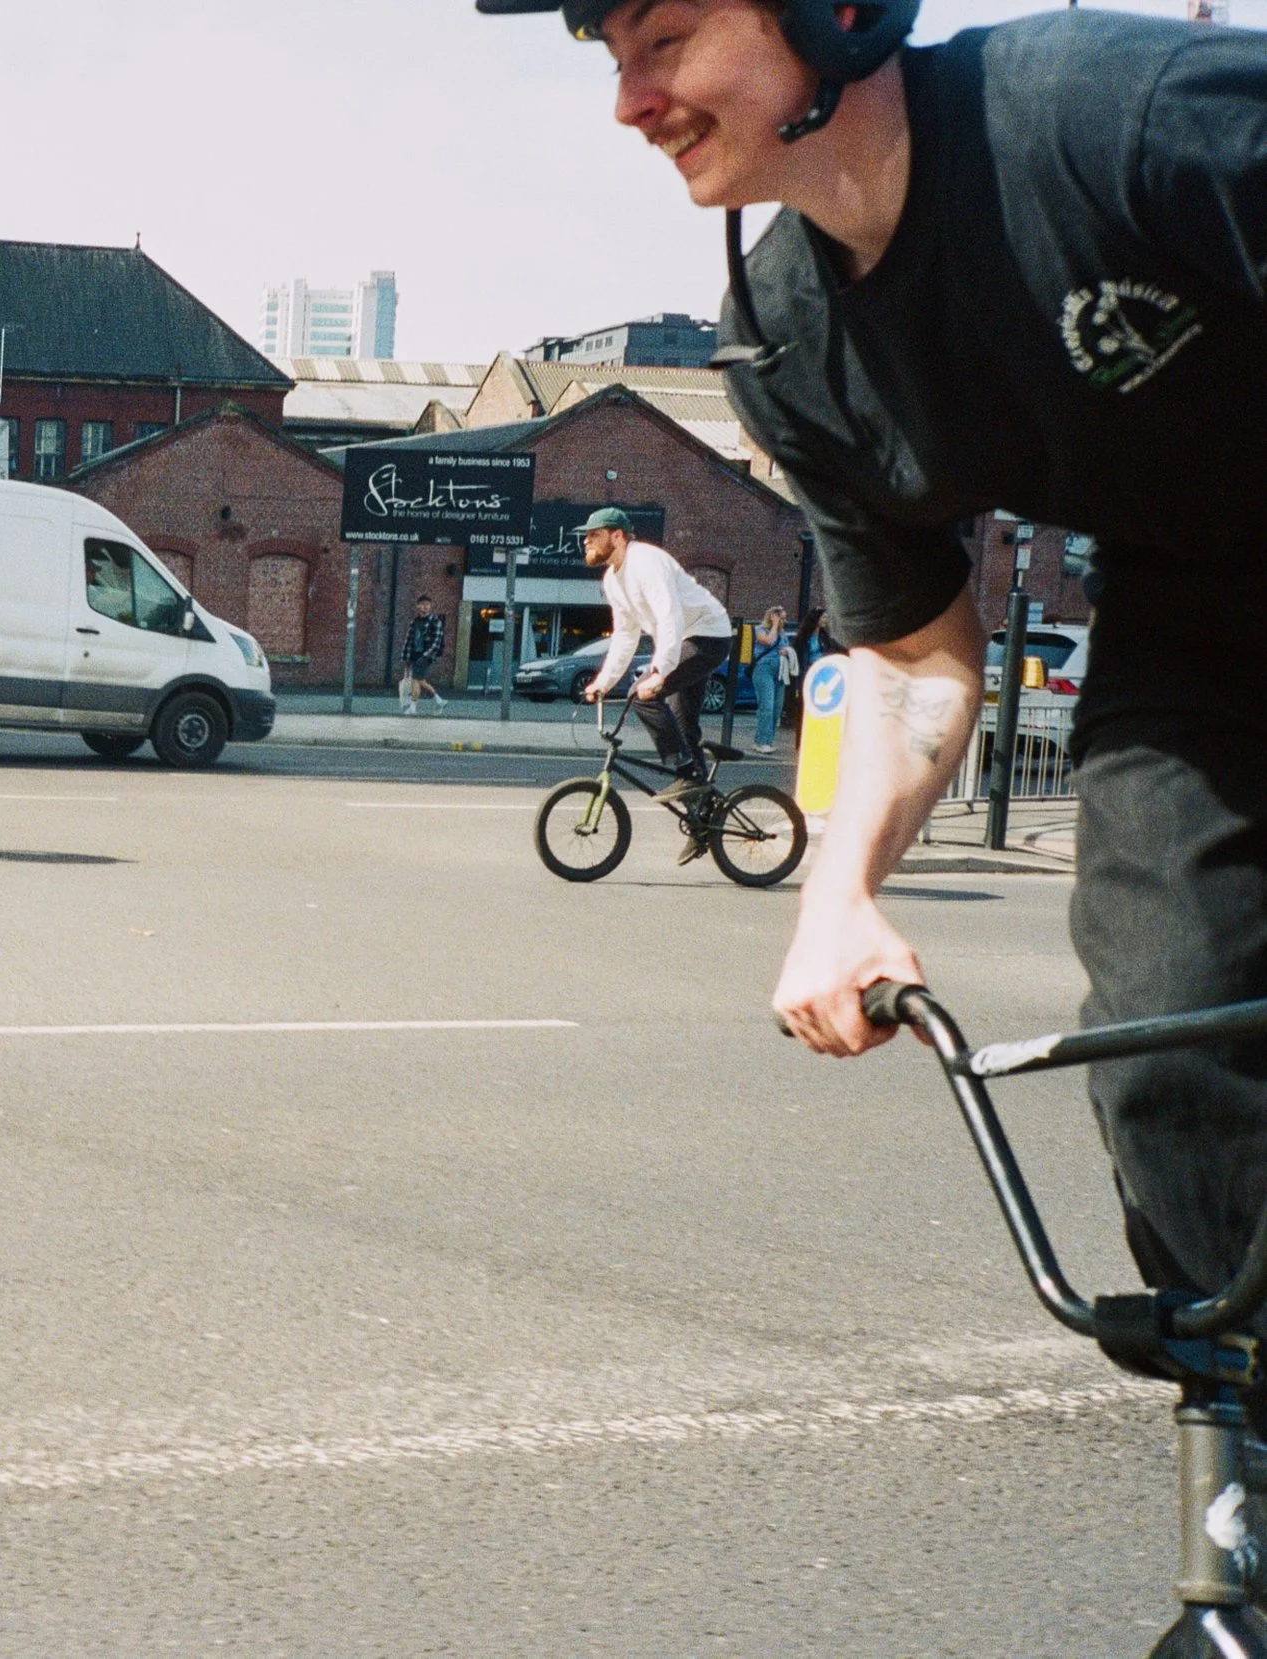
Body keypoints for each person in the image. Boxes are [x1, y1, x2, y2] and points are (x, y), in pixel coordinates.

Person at [480, 0, 1267, 1336]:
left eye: (664, 42)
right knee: (1166, 1061)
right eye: (611, 62)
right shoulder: (784, 343)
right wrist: (836, 894)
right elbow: (912, 654)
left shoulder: (1109, 120)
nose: (629, 102)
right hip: (1195, 624)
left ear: (833, 12)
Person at [577, 507, 736, 860]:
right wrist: (603, 681)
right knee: (682, 724)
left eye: (593, 533)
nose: (585, 539)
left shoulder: (646, 562)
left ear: (617, 536)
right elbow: (625, 635)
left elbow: (670, 617)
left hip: (707, 636)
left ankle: (685, 773)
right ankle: (703, 819)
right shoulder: (612, 580)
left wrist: (659, 672)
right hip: (684, 640)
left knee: (645, 696)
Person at [398, 597, 449, 714]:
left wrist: (426, 655)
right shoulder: (414, 622)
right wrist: (406, 657)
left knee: (416, 679)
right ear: (418, 606)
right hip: (414, 654)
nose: (425, 607)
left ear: (430, 606)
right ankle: (439, 701)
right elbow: (408, 640)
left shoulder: (435, 621)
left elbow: (437, 641)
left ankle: (413, 707)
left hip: (426, 655)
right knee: (420, 680)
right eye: (422, 604)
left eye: (428, 604)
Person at [750, 605, 789, 753]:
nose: (784, 621)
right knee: (767, 706)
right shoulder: (760, 630)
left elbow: (787, 648)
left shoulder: (783, 634)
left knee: (777, 708)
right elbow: (767, 641)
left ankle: (768, 740)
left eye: (785, 619)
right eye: (781, 618)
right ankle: (760, 742)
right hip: (764, 669)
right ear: (773, 617)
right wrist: (774, 626)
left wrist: (786, 651)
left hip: (779, 672)